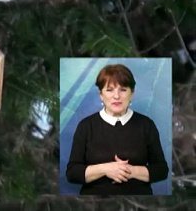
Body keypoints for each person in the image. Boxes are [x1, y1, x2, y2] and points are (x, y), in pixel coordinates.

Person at [65, 63, 169, 195]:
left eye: (123, 90)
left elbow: (161, 170)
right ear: (101, 95)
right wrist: (106, 169)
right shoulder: (86, 126)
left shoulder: (146, 125)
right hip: (93, 202)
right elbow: (72, 173)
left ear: (132, 93)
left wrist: (130, 171)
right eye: (109, 90)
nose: (116, 96)